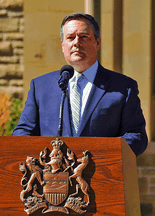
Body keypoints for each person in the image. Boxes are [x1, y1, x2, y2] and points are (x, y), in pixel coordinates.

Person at [12, 13, 147, 157]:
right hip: (51, 176)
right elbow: (23, 133)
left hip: (103, 174)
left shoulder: (123, 87)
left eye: (84, 37)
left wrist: (103, 153)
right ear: (63, 45)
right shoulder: (40, 87)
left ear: (98, 42)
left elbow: (136, 136)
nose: (76, 42)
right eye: (70, 38)